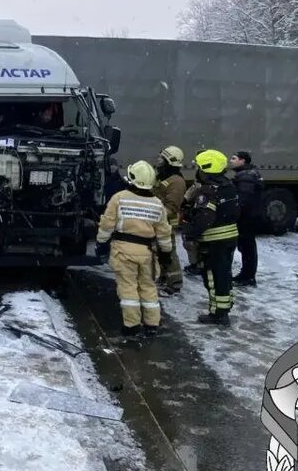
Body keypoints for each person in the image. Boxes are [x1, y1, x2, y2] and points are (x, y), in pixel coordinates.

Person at [96, 160, 174, 345]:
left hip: (123, 250)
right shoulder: (157, 204)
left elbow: (107, 223)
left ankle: (131, 326)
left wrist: (101, 242)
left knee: (128, 286)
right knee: (148, 286)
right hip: (148, 252)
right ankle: (152, 324)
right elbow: (164, 231)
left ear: (131, 178)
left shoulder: (119, 198)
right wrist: (166, 252)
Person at [181, 149, 240, 327]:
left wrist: (190, 231)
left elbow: (205, 218)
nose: (197, 171)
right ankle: (225, 307)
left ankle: (219, 315)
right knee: (224, 275)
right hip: (230, 237)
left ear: (206, 169)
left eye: (199, 167)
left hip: (214, 241)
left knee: (214, 278)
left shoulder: (209, 191)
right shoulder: (228, 186)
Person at [153, 145, 187, 294]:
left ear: (169, 162)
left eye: (162, 158)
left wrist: (154, 216)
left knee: (169, 253)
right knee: (160, 252)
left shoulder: (177, 182)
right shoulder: (162, 176)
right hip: (158, 221)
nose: (158, 160)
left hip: (166, 222)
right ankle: (164, 277)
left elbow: (172, 207)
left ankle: (175, 283)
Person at [230, 150, 264, 287]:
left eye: (234, 158)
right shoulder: (246, 174)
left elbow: (244, 200)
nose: (230, 161)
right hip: (250, 216)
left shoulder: (246, 176)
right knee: (247, 246)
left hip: (247, 218)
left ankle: (248, 276)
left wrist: (236, 215)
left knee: (247, 246)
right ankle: (246, 275)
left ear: (242, 161)